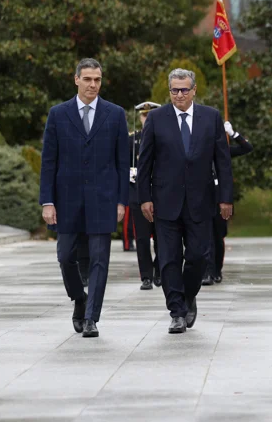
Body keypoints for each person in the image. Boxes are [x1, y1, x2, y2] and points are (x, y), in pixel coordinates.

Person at [137, 68, 233, 334]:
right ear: (170, 91)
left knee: (198, 257)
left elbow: (222, 161)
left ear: (194, 90)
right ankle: (177, 311)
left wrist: (226, 198)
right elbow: (144, 162)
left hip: (201, 202)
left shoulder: (210, 117)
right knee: (168, 259)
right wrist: (143, 197)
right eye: (174, 90)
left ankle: (189, 295)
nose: (179, 95)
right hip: (165, 202)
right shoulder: (156, 119)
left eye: (184, 89)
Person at [39, 58, 129, 338]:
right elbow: (49, 161)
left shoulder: (115, 115)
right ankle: (79, 297)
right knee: (66, 256)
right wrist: (47, 201)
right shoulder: (58, 114)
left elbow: (122, 163)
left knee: (100, 259)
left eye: (97, 80)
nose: (93, 84)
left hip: (103, 199)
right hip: (66, 200)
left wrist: (121, 201)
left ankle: (91, 317)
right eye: (88, 79)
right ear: (76, 79)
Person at [203, 120, 253, 285]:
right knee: (206, 237)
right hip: (203, 197)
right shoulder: (198, 150)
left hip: (220, 197)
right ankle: (208, 272)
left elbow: (247, 148)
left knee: (218, 236)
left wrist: (233, 134)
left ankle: (217, 270)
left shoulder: (223, 150)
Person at [129, 101, 162, 290]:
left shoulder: (163, 137)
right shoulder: (132, 139)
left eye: (150, 116)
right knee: (141, 239)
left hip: (159, 193)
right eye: (144, 116)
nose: (146, 119)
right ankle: (146, 276)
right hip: (138, 193)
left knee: (161, 237)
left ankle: (159, 271)